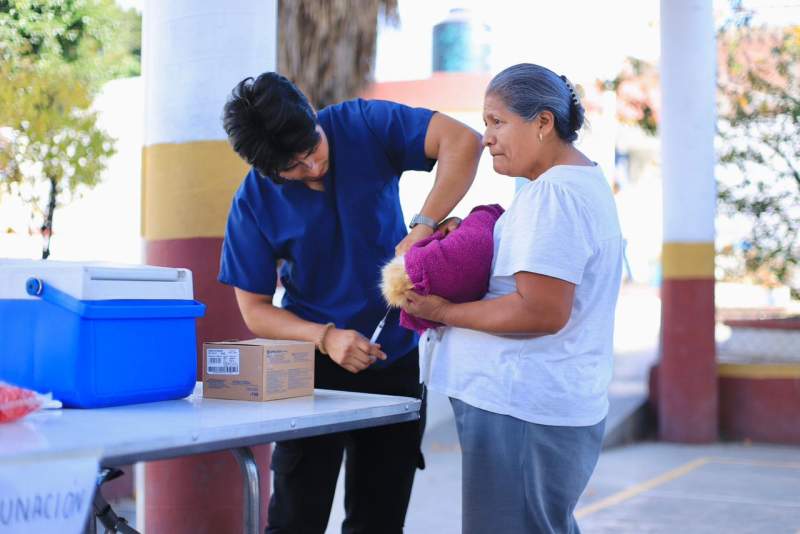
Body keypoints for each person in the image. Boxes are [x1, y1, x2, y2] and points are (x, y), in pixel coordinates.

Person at [218, 72, 482, 534]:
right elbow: (254, 309)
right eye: (294, 168)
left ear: (312, 115)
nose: (313, 167)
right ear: (268, 170)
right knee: (295, 518)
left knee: (378, 520)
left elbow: (464, 141)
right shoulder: (253, 202)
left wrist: (421, 228)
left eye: (313, 149)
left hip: (395, 358)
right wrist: (325, 337)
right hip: (313, 371)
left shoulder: (363, 124)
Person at [403, 63, 623, 534]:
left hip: (522, 408)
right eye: (485, 124)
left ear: (543, 123)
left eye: (497, 122)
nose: (486, 138)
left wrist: (444, 313)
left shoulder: (556, 196)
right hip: (528, 407)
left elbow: (540, 310)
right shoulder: (570, 186)